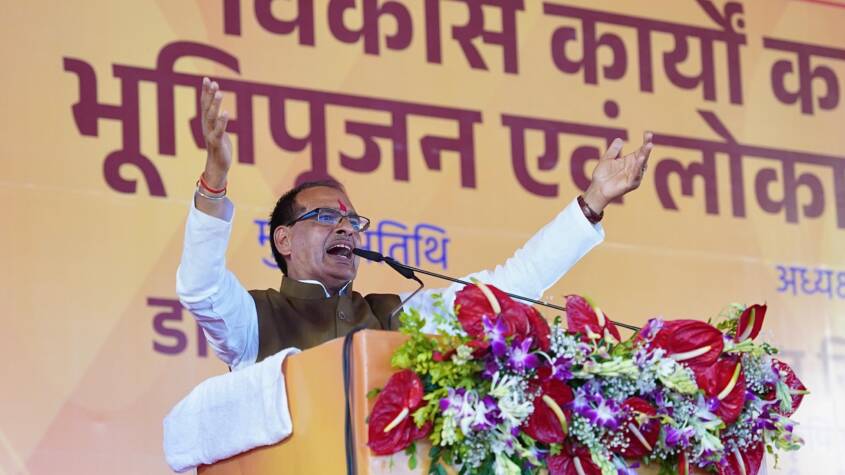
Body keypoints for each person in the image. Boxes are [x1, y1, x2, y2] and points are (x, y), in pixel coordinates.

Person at [178, 78, 653, 370]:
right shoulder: (254, 319)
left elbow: (506, 288)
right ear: (284, 239)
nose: (345, 228)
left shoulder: (393, 315)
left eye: (352, 220)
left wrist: (592, 202)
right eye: (325, 216)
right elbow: (200, 287)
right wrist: (214, 182)